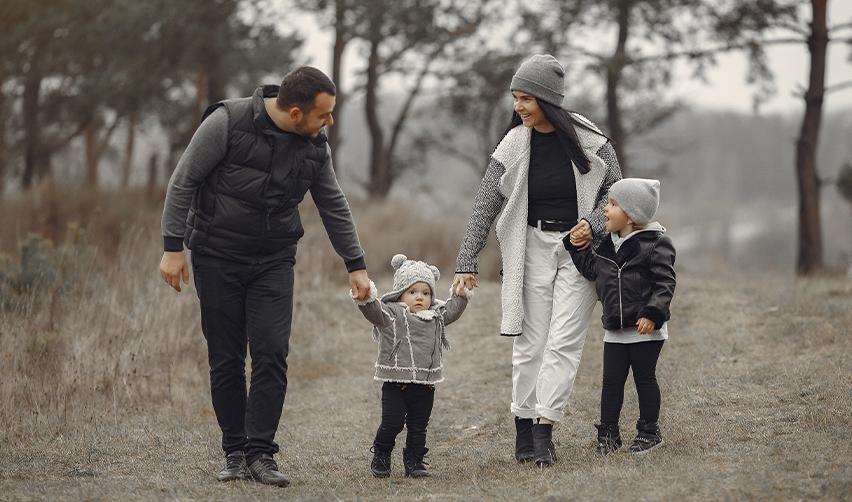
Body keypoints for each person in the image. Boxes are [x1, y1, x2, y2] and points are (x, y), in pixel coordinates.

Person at [158, 66, 372, 486]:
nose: (329, 123)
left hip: (273, 260)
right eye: (323, 115)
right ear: (295, 113)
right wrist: (172, 249)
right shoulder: (227, 122)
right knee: (226, 357)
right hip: (216, 256)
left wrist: (356, 264)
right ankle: (234, 452)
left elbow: (333, 205)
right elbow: (183, 182)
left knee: (272, 352)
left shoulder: (315, 148)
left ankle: (261, 454)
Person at [451, 54, 622, 466]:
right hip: (529, 248)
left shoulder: (591, 141)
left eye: (526, 98)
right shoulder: (512, 144)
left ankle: (545, 430)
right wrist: (466, 259)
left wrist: (594, 224)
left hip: (578, 254)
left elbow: (617, 191)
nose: (518, 107)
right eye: (515, 97)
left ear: (548, 99)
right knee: (531, 344)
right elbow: (484, 206)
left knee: (563, 342)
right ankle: (523, 430)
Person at [565, 178, 676, 455]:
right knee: (611, 382)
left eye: (612, 204)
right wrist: (575, 246)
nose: (605, 209)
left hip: (646, 330)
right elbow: (592, 270)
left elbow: (665, 284)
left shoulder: (655, 244)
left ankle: (649, 431)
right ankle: (609, 434)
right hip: (615, 329)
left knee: (644, 378)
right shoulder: (605, 246)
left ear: (632, 214)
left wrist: (652, 313)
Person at [353, 254, 469, 478]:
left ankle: (414, 460)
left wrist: (462, 296)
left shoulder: (435, 315)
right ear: (400, 294)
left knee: (418, 427)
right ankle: (381, 453)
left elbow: (452, 311)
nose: (419, 297)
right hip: (396, 383)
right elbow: (373, 312)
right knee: (392, 423)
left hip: (425, 385)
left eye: (425, 293)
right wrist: (366, 299)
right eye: (412, 292)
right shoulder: (391, 314)